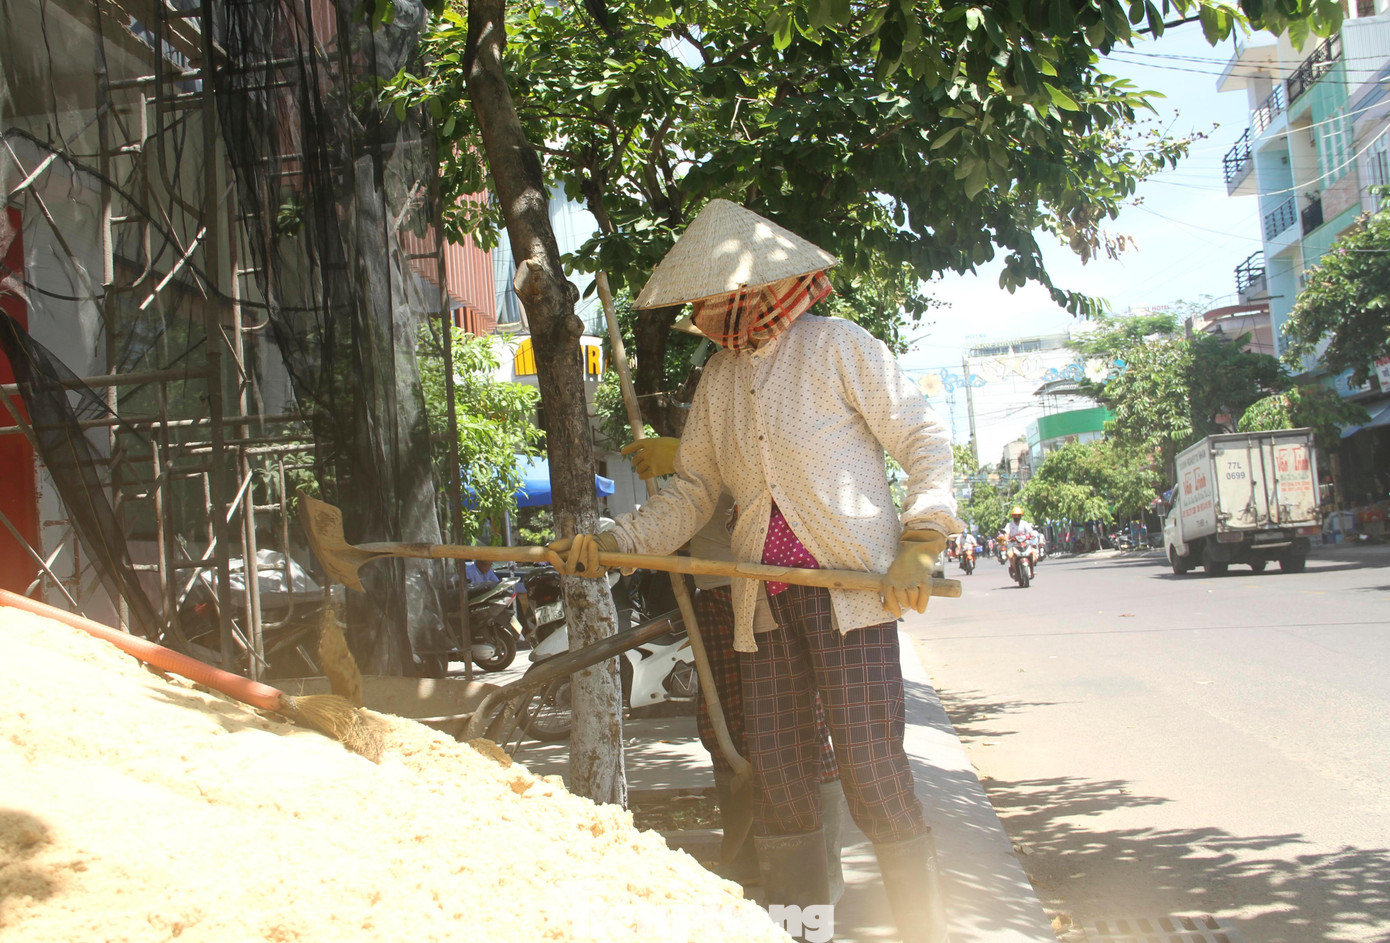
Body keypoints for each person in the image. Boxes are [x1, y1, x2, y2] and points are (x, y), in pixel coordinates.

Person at [546, 200, 960, 943]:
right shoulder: (720, 384)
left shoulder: (838, 347)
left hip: (852, 599)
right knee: (780, 781)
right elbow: (695, 492)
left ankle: (925, 933)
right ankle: (807, 934)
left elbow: (923, 437)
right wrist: (613, 542)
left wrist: (921, 541)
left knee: (873, 773)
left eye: (710, 300)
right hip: (763, 608)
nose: (702, 314)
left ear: (749, 294)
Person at [623, 437, 847, 901]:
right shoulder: (716, 391)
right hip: (715, 587)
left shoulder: (778, 384)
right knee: (724, 724)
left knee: (799, 724)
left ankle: (820, 873)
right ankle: (748, 864)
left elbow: (779, 464)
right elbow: (692, 502)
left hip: (775, 583)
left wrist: (686, 452)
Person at [1004, 506, 1039, 578]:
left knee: (1034, 553)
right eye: (1015, 515)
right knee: (1010, 554)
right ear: (1012, 516)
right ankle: (1014, 568)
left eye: (1018, 515)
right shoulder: (1009, 525)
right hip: (1014, 545)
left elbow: (1030, 532)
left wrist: (1032, 536)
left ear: (1021, 516)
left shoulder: (1025, 523)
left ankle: (1031, 568)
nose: (1017, 516)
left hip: (1025, 544)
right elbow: (1006, 534)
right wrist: (1007, 539)